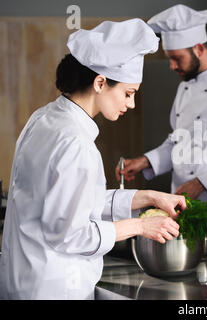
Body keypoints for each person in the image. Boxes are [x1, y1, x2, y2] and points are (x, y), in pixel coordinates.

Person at [0, 19, 186, 300]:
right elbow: (71, 233)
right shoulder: (76, 143)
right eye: (128, 93)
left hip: (25, 280)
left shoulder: (44, 118)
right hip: (55, 288)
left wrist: (148, 197)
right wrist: (140, 226)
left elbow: (69, 203)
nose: (131, 104)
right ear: (100, 82)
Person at [116, 5, 207, 257]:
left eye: (177, 58)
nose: (172, 66)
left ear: (199, 48)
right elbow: (179, 141)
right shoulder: (185, 89)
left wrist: (200, 183)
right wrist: (146, 161)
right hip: (184, 209)